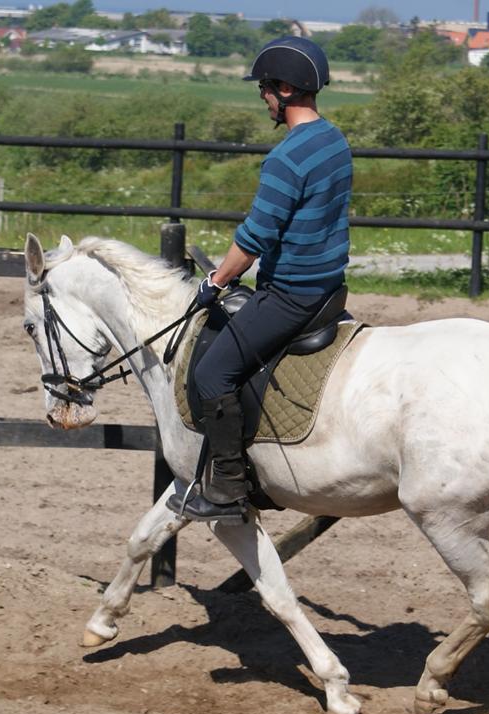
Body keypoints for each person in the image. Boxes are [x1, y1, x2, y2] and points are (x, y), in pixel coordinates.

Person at [167, 36, 353, 523]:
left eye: (265, 89)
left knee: (211, 373)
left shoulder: (286, 158)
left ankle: (228, 488)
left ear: (286, 90)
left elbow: (255, 238)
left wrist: (215, 281)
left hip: (292, 294)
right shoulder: (334, 140)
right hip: (329, 289)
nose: (263, 98)